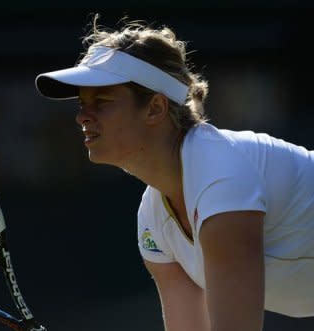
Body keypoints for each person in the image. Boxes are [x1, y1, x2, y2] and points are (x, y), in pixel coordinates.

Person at [34, 14, 314, 331]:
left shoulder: (221, 177)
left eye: (102, 101)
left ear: (155, 108)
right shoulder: (153, 218)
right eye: (82, 103)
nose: (82, 117)